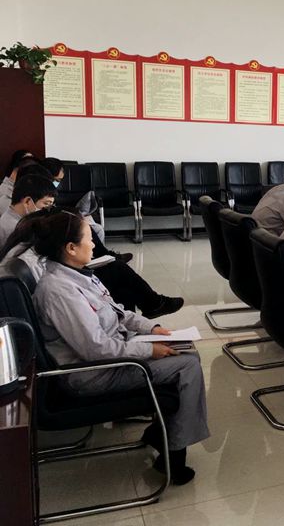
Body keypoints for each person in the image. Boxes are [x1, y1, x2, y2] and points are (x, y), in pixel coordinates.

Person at [30, 211, 209, 484]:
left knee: (184, 351)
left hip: (112, 353)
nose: (94, 244)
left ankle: (162, 433)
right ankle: (173, 455)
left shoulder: (78, 275)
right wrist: (149, 351)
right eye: (89, 239)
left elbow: (119, 312)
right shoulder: (59, 291)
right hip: (94, 373)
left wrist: (151, 329)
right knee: (188, 365)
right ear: (71, 248)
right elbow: (95, 349)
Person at [1, 208, 184, 319]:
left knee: (125, 291)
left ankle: (146, 311)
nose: (93, 244)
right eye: (47, 204)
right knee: (116, 269)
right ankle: (153, 304)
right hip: (65, 298)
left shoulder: (30, 246)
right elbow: (96, 346)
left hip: (66, 287)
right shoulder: (37, 264)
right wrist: (143, 349)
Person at [0, 175, 56, 246]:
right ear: (27, 201)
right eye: (46, 204)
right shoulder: (17, 230)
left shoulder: (9, 218)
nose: (48, 210)